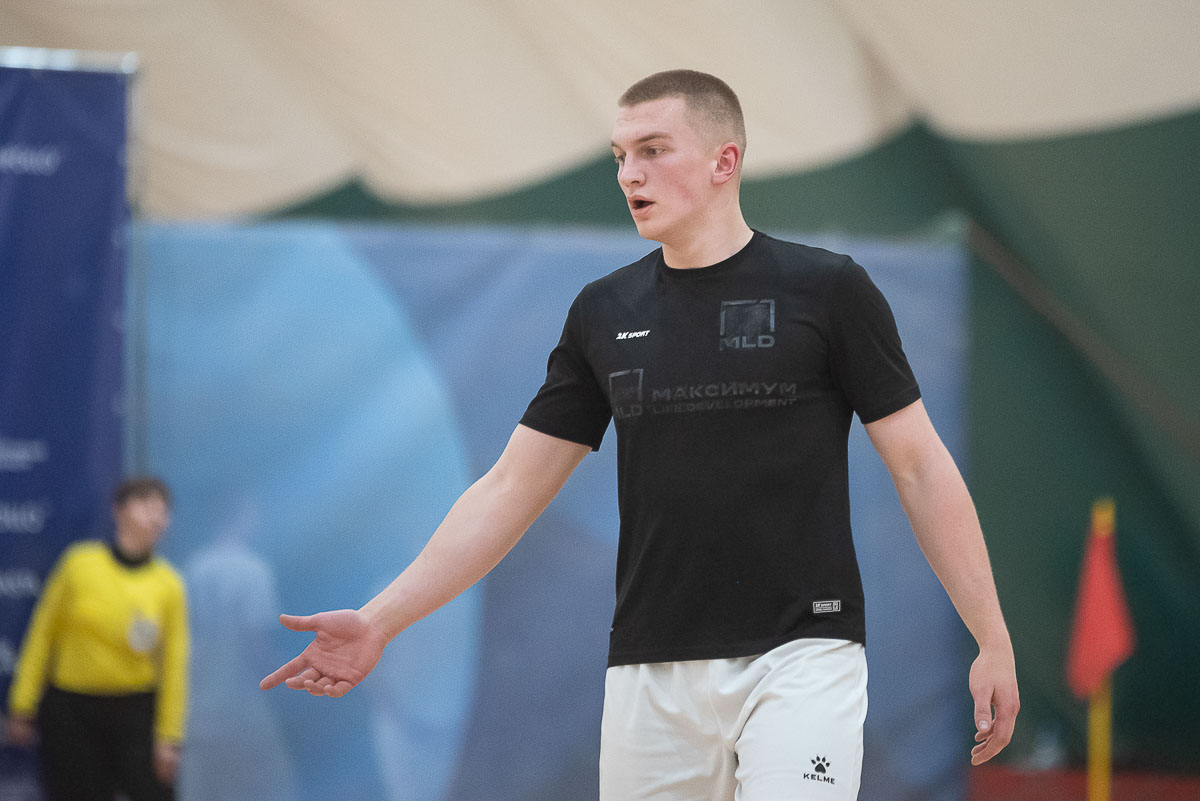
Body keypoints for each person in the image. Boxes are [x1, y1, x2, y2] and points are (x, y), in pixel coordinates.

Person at [260, 69, 1019, 799]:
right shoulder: (602, 311)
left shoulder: (829, 290)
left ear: (725, 161)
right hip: (649, 673)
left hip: (802, 656)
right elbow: (508, 488)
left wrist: (992, 637)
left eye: (653, 150)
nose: (630, 175)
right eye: (620, 156)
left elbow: (920, 467)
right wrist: (379, 620)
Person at [5, 476, 189, 801]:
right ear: (119, 510)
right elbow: (42, 636)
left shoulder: (169, 584)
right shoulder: (78, 564)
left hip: (136, 714)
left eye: (162, 510)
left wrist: (169, 738)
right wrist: (22, 704)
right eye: (146, 505)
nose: (156, 517)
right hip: (72, 715)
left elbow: (175, 666)